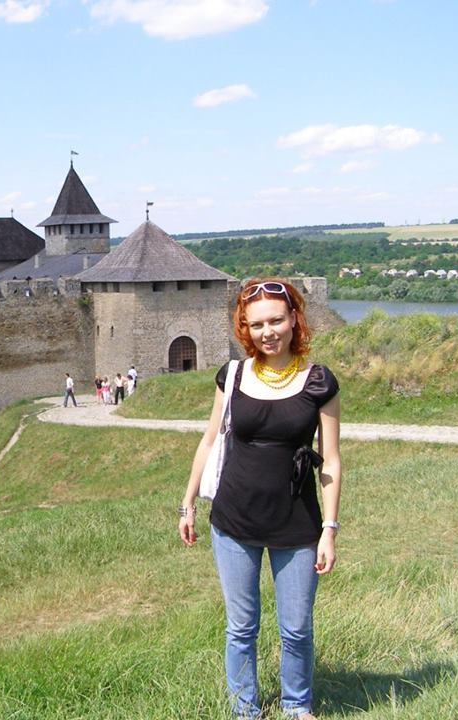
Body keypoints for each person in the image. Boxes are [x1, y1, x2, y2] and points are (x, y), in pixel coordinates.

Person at [178, 279, 341, 720]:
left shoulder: (319, 381)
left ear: (294, 320)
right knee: (241, 628)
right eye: (256, 325)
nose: (267, 332)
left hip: (297, 523)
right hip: (234, 521)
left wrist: (329, 530)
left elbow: (330, 461)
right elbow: (210, 440)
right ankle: (245, 710)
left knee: (296, 628)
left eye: (276, 320)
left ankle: (296, 705)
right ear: (244, 329)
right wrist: (188, 503)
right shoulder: (232, 376)